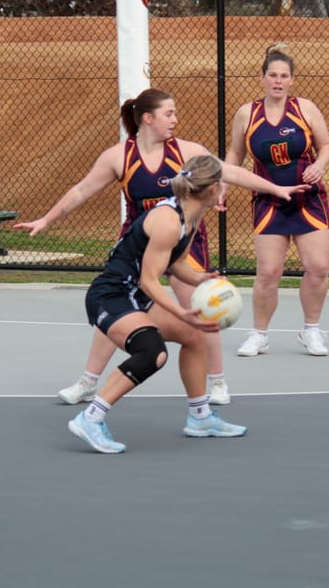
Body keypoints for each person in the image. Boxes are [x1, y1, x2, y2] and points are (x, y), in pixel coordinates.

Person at [15, 88, 309, 406]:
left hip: (184, 242)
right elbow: (82, 190)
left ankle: (218, 382)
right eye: (168, 113)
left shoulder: (185, 151)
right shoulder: (119, 157)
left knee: (201, 308)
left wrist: (276, 188)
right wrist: (46, 219)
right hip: (141, 245)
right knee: (118, 309)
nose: (175, 119)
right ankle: (89, 381)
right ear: (148, 118)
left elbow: (232, 172)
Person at [67, 155, 247, 453]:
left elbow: (175, 264)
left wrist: (203, 279)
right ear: (215, 188)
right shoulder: (167, 220)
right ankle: (91, 418)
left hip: (134, 294)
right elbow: (151, 281)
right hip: (112, 295)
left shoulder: (192, 216)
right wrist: (183, 312)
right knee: (152, 353)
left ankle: (200, 418)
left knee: (194, 337)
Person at [223, 43, 329, 358]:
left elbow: (325, 144)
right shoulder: (247, 113)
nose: (278, 80)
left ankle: (311, 330)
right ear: (262, 77)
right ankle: (259, 334)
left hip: (307, 198)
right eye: (272, 74)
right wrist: (224, 183)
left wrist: (319, 163)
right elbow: (235, 153)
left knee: (318, 267)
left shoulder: (305, 109)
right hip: (268, 200)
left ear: (291, 80)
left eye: (284, 76)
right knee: (268, 272)